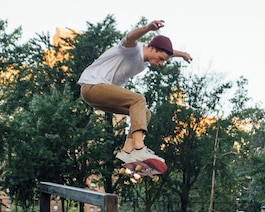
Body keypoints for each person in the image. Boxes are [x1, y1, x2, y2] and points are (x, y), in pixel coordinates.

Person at [78, 19, 192, 165]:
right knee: (138, 100)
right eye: (160, 59)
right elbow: (129, 37)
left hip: (99, 94)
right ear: (151, 48)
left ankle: (126, 152)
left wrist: (182, 54)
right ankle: (139, 149)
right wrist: (147, 28)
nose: (160, 63)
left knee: (145, 113)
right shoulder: (133, 50)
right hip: (92, 86)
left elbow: (167, 52)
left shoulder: (146, 58)